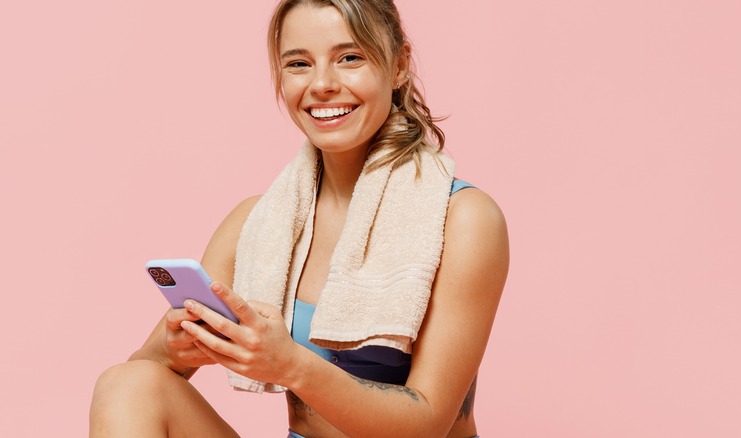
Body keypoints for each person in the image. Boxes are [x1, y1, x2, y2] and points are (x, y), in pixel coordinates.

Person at [89, 0, 509, 436]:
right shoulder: (258, 224)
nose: (322, 84)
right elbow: (147, 372)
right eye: (298, 64)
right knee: (127, 384)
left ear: (400, 65)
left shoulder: (462, 220)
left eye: (350, 57)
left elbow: (428, 423)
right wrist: (174, 348)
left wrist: (291, 365)